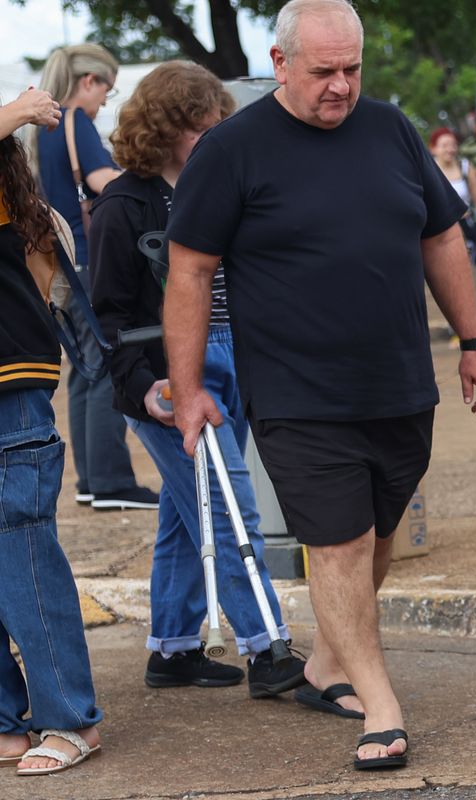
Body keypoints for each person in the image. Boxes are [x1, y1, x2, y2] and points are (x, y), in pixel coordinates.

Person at [164, 0, 476, 770]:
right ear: (281, 65)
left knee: (378, 537)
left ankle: (323, 668)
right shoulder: (232, 150)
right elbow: (189, 269)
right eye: (324, 72)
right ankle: (381, 708)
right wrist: (188, 390)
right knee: (339, 545)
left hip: (399, 384)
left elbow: (441, 234)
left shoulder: (391, 129)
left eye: (352, 68)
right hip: (296, 392)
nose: (341, 86)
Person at [88, 62, 307, 695]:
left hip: (234, 359)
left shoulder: (222, 186)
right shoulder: (123, 206)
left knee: (194, 507)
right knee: (227, 503)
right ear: (162, 129)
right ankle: (268, 648)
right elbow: (107, 319)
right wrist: (146, 389)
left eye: (215, 127)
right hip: (164, 374)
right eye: (197, 130)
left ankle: (174, 647)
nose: (210, 139)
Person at [0, 86, 105, 777]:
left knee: (25, 562)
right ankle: (8, 725)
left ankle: (69, 718)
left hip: (11, 393)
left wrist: (18, 107)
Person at [34, 43, 159, 512]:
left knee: (85, 372)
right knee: (108, 365)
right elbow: (104, 179)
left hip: (64, 263)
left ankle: (92, 479)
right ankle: (110, 481)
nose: (106, 98)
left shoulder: (45, 126)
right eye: (106, 87)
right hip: (89, 257)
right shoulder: (76, 122)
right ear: (89, 81)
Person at [429, 127, 476, 264]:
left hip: (466, 226)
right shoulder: (428, 170)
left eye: (453, 145)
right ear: (433, 148)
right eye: (445, 145)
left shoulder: (464, 166)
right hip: (439, 230)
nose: (450, 149)